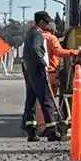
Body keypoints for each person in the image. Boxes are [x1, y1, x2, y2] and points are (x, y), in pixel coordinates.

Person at [21, 12, 62, 142]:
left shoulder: (30, 33)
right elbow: (34, 49)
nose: (47, 24)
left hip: (29, 70)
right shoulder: (37, 34)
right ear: (40, 22)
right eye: (45, 22)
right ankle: (52, 131)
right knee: (46, 100)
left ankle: (31, 132)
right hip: (37, 71)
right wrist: (42, 62)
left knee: (31, 101)